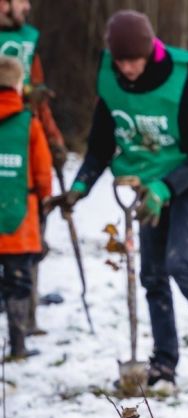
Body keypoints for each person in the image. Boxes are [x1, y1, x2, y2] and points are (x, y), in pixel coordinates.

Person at [56, 10, 188, 388]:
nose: (127, 69)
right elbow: (100, 146)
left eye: (134, 60)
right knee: (152, 274)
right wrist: (79, 187)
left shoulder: (183, 80)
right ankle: (164, 362)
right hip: (147, 188)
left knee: (179, 264)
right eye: (121, 61)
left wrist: (165, 188)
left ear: (149, 52)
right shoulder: (111, 81)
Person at [0, 0, 68, 335]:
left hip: (26, 143)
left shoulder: (28, 42)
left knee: (28, 238)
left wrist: (51, 137)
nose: (26, 7)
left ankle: (25, 320)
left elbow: (38, 98)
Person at [0, 55, 50, 360]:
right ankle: (18, 344)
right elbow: (42, 172)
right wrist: (45, 199)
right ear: (19, 85)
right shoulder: (29, 124)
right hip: (20, 219)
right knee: (18, 282)